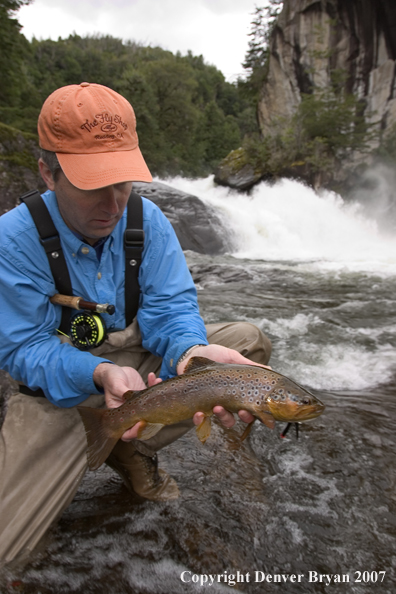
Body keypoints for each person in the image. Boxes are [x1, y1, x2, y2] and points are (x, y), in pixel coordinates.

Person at [0, 82, 272, 565]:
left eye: (123, 180)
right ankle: (113, 439)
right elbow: (21, 349)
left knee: (243, 347)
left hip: (143, 375)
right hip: (59, 390)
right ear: (48, 173)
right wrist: (98, 373)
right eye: (92, 183)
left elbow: (171, 308)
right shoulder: (11, 240)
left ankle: (130, 448)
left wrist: (192, 352)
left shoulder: (149, 221)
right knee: (5, 553)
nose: (114, 203)